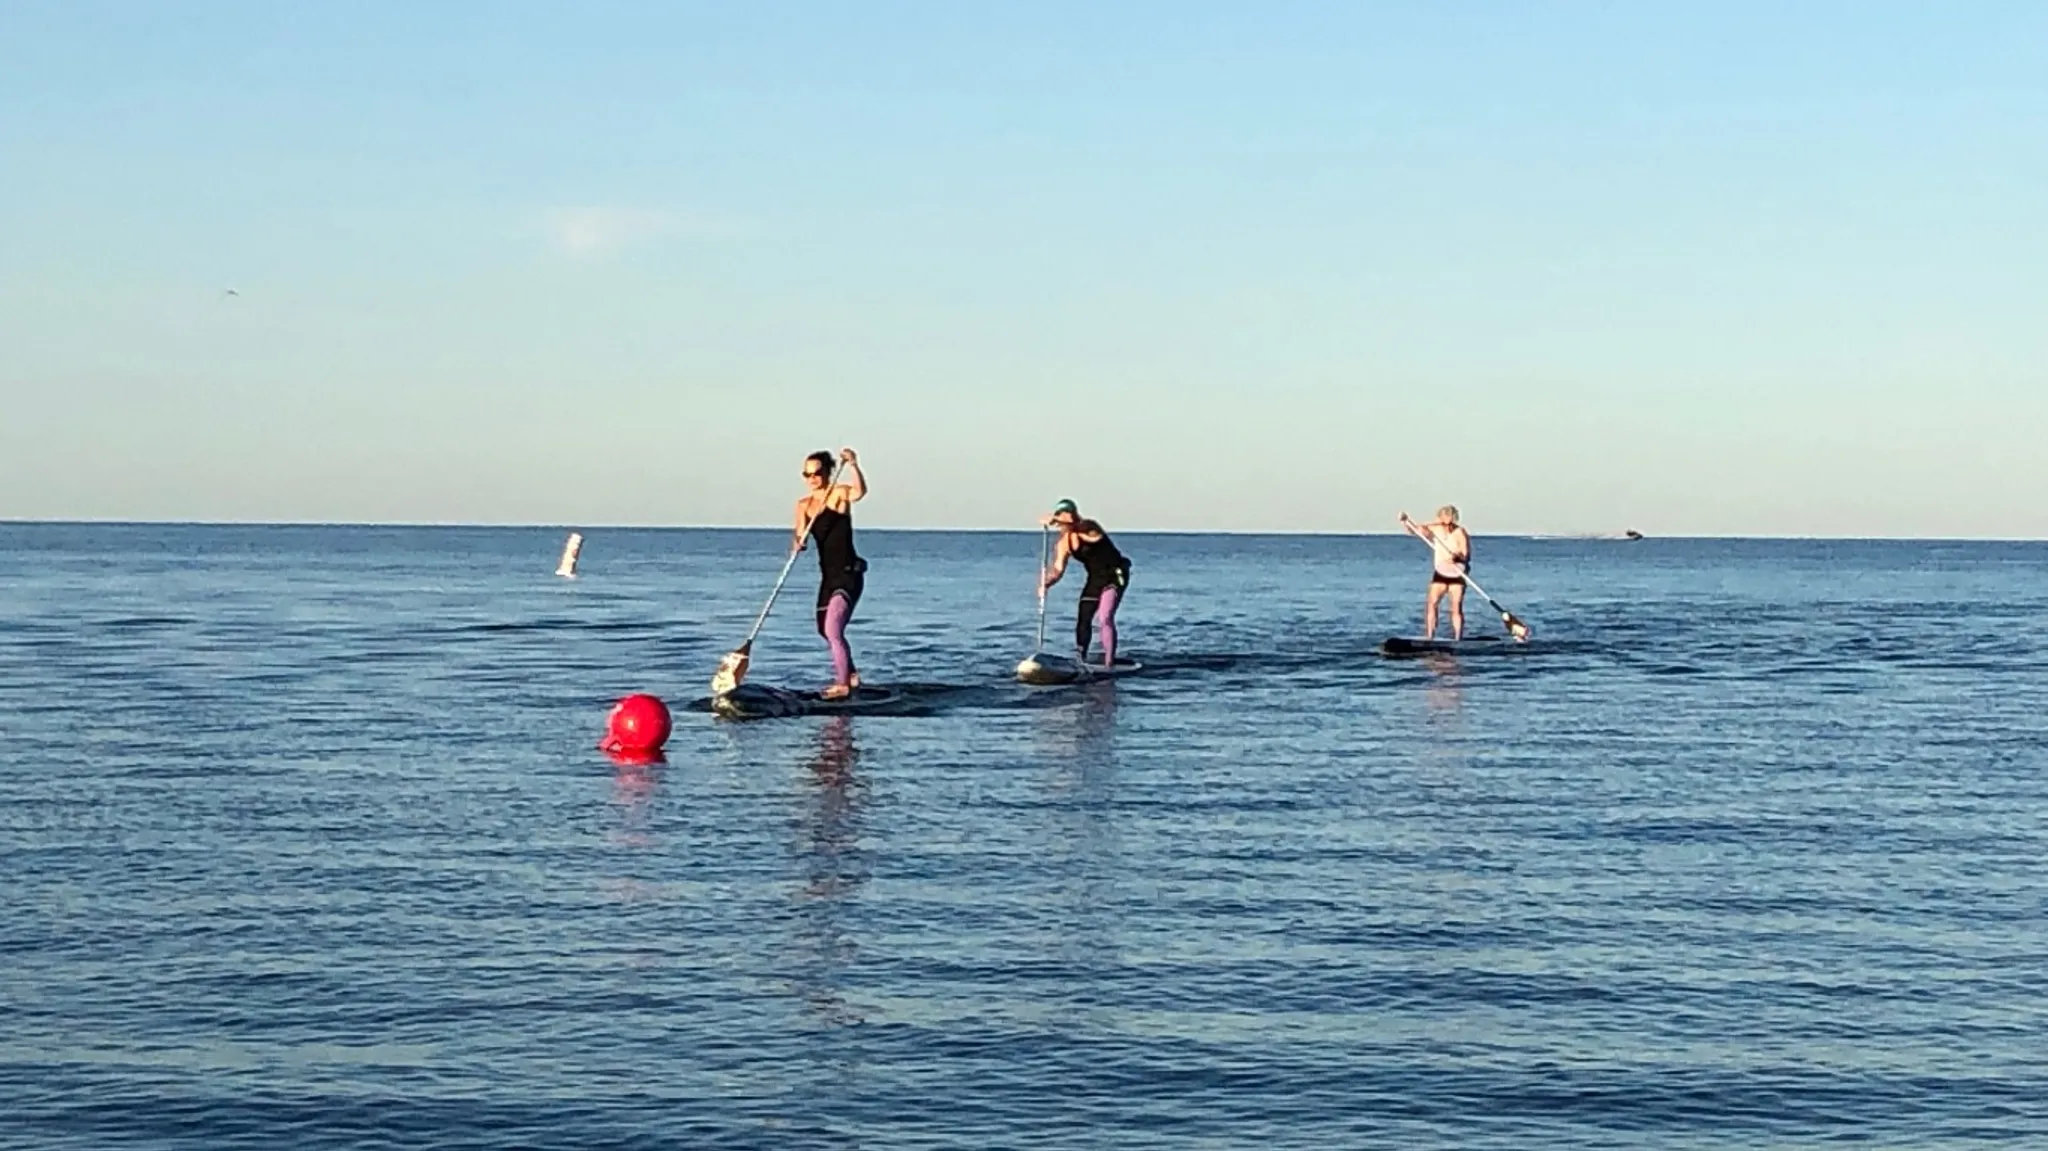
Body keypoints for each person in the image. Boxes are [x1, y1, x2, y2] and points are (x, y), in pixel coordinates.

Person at [794, 448, 867, 699]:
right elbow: (800, 535)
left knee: (834, 630)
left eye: (817, 473)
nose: (812, 478)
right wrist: (798, 543)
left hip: (849, 573)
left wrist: (854, 465)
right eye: (807, 474)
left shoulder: (839, 494)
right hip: (828, 576)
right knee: (823, 630)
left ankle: (843, 684)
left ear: (827, 472)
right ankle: (853, 675)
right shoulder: (804, 505)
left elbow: (859, 493)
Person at [1039, 499, 1131, 668]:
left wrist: (1057, 519)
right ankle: (1081, 658)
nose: (1061, 522)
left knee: (1105, 617)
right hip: (1095, 578)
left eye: (1066, 516)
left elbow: (1095, 536)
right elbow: (1058, 570)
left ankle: (1109, 662)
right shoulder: (1063, 544)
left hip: (1115, 573)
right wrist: (1047, 583)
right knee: (1084, 616)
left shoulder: (1089, 527)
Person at [1399, 505, 1471, 641]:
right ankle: (1430, 636)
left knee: (1456, 607)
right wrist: (1405, 521)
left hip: (1457, 572)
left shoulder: (1460, 532)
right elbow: (1415, 530)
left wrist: (1456, 556)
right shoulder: (1435, 529)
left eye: (1449, 518)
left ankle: (1457, 638)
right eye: (1444, 518)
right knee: (1432, 603)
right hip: (1441, 572)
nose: (1446, 522)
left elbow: (1466, 555)